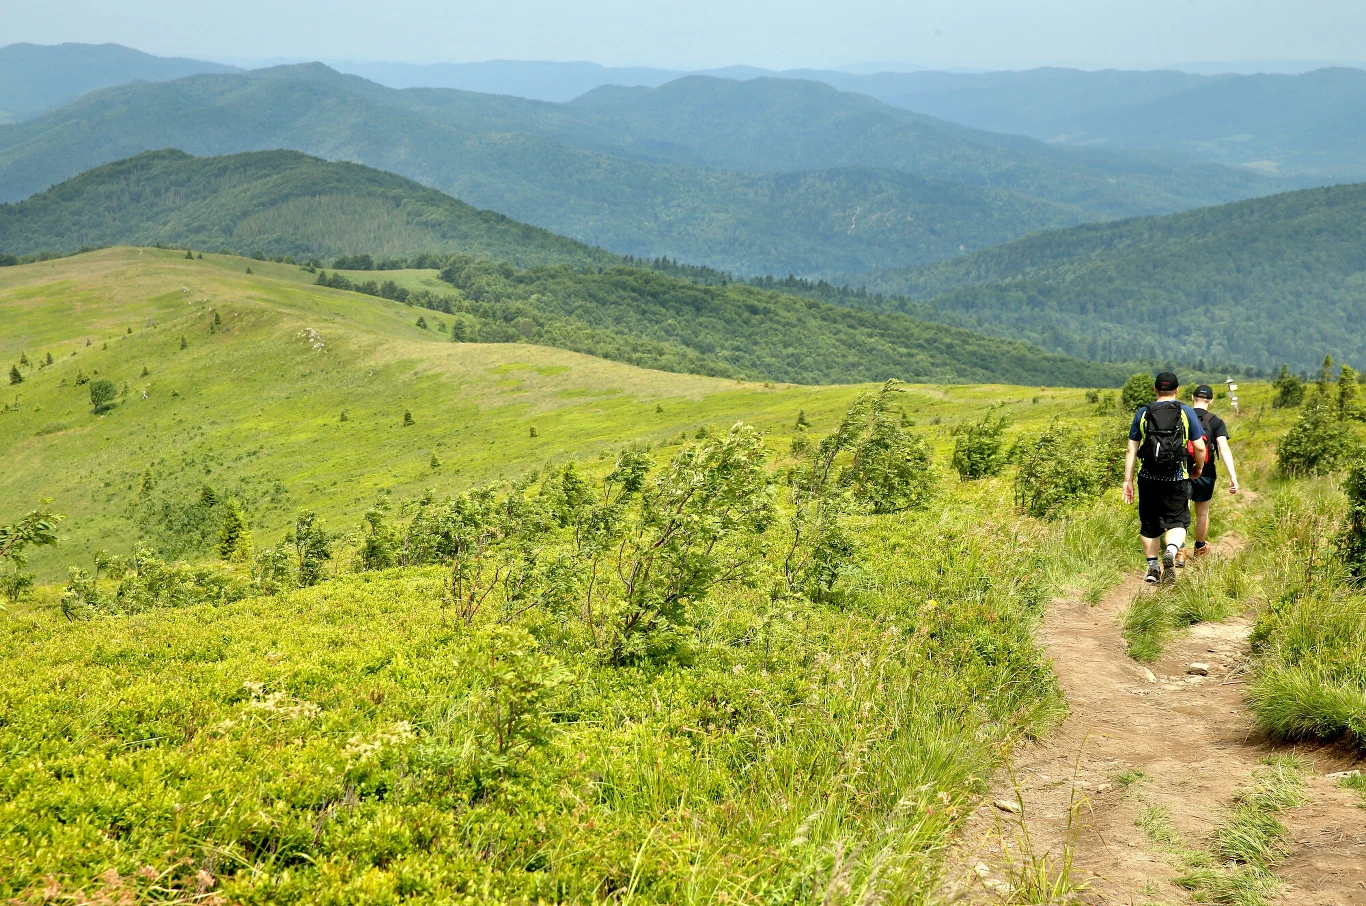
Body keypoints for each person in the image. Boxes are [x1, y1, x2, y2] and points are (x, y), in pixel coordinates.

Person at [1122, 372, 1207, 584]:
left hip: (1148, 478)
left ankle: (1152, 568)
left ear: (1155, 389)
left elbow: (1131, 449)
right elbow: (1199, 447)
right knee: (1177, 522)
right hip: (1177, 477)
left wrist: (1128, 481)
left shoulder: (1143, 413)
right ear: (1177, 390)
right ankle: (1171, 549)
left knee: (1149, 524)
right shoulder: (1185, 411)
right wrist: (1198, 467)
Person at [1186, 384, 1239, 558]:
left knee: (1181, 510)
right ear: (1211, 401)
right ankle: (1200, 548)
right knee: (1202, 513)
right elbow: (1223, 448)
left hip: (1182, 470)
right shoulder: (1216, 422)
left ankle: (1178, 550)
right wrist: (1232, 476)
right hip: (1206, 472)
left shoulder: (1182, 418)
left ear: (1193, 398)